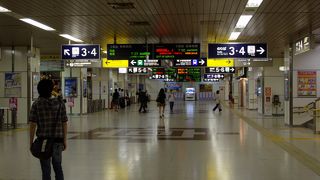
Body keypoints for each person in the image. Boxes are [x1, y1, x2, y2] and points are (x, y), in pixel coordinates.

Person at [29, 79, 68, 180]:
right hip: (58, 141)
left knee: (45, 169)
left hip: (43, 142)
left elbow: (33, 124)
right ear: (51, 90)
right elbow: (64, 122)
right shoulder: (60, 103)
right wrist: (64, 140)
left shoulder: (36, 104)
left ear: (39, 90)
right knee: (58, 167)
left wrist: (31, 142)